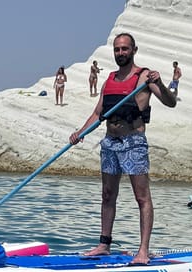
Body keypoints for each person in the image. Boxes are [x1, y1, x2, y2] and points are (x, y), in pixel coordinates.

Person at [68, 33, 177, 265]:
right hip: (109, 143)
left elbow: (170, 102)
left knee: (142, 197)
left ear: (134, 50)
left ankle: (143, 251)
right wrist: (80, 133)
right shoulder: (109, 79)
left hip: (133, 143)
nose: (120, 53)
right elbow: (98, 113)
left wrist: (159, 83)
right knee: (107, 195)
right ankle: (104, 244)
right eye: (117, 49)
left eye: (125, 49)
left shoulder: (144, 76)